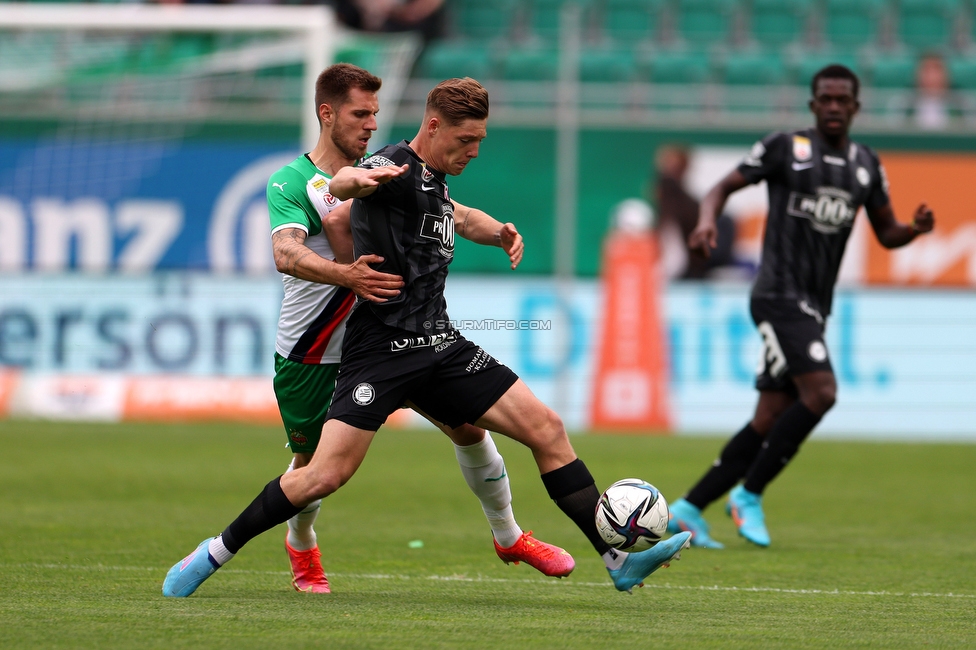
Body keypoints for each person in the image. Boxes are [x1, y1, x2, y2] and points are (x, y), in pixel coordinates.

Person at [163, 76, 692, 598]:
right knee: (321, 476)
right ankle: (214, 552)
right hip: (381, 352)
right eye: (467, 140)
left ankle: (617, 560)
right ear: (434, 127)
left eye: (481, 141)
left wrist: (500, 231)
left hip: (441, 346)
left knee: (548, 429)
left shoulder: (434, 184)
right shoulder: (389, 166)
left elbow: (460, 217)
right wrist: (352, 183)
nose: (476, 151)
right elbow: (345, 185)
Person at [234, 63, 573, 595]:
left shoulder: (395, 169)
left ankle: (510, 537)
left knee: (469, 428)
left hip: (393, 340)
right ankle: (301, 546)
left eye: (375, 113)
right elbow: (285, 252)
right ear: (327, 113)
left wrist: (497, 231)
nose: (371, 123)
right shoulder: (294, 182)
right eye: (359, 113)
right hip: (316, 350)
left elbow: (453, 213)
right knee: (311, 470)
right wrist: (347, 275)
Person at [666, 64, 935, 549]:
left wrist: (915, 228)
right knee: (823, 391)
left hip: (815, 306)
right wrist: (706, 220)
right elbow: (721, 187)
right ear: (813, 104)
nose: (833, 106)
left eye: (842, 100)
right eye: (825, 99)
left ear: (855, 106)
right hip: (777, 296)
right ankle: (749, 494)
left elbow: (888, 233)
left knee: (771, 413)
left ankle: (688, 508)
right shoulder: (785, 148)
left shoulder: (866, 165)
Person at [653, 144, 735, 280]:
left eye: (674, 167)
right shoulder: (671, 204)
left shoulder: (683, 205)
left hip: (690, 277)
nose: (668, 171)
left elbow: (676, 255)